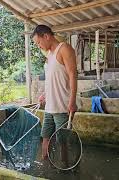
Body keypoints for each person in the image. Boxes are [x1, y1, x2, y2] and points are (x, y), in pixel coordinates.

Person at [31, 25, 77, 159]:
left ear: (46, 36)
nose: (38, 45)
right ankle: (46, 167)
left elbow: (73, 74)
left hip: (62, 106)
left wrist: (72, 102)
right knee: (45, 137)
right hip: (49, 107)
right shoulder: (49, 55)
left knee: (62, 142)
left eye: (38, 42)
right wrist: (44, 95)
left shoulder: (64, 49)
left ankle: (66, 168)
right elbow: (52, 79)